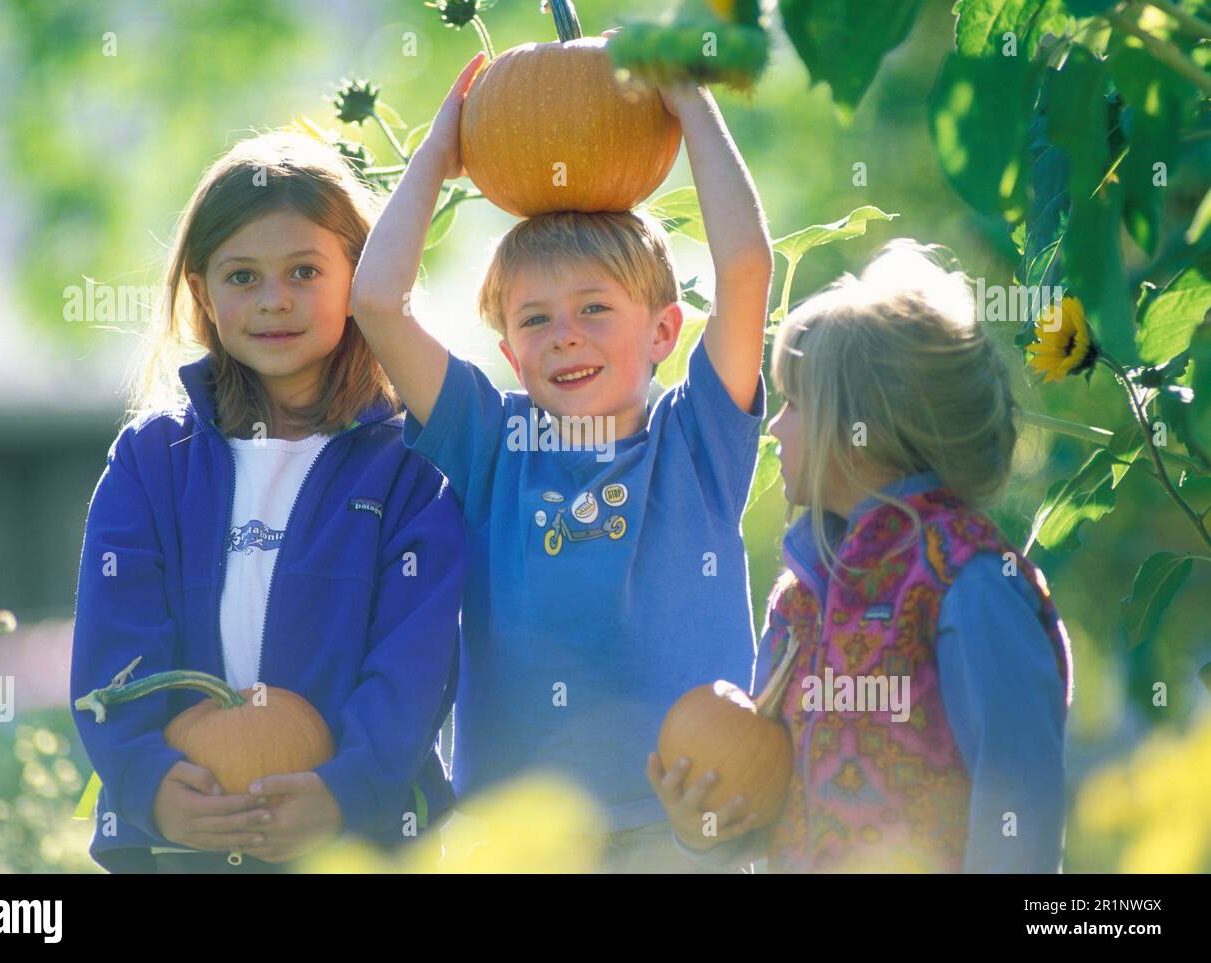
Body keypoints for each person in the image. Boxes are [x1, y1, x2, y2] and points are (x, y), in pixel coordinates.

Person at [348, 53, 774, 872]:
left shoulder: (698, 443)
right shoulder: (489, 444)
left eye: (594, 309)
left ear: (663, 333)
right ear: (508, 349)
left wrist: (686, 106)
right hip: (519, 839)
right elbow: (377, 304)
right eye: (536, 319)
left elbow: (746, 267)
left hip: (685, 831)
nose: (565, 334)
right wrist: (438, 154)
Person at [69, 131, 465, 873]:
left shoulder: (411, 467)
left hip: (361, 838)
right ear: (202, 294)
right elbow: (112, 644)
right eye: (242, 276)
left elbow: (418, 660)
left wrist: (344, 789)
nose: (273, 299)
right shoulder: (150, 462)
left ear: (358, 275)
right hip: (184, 838)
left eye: (305, 270)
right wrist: (150, 783)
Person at [651, 240, 1073, 873]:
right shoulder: (799, 599)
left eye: (794, 403)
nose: (774, 426)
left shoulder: (969, 578)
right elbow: (768, 795)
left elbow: (1019, 801)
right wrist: (704, 832)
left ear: (860, 430)